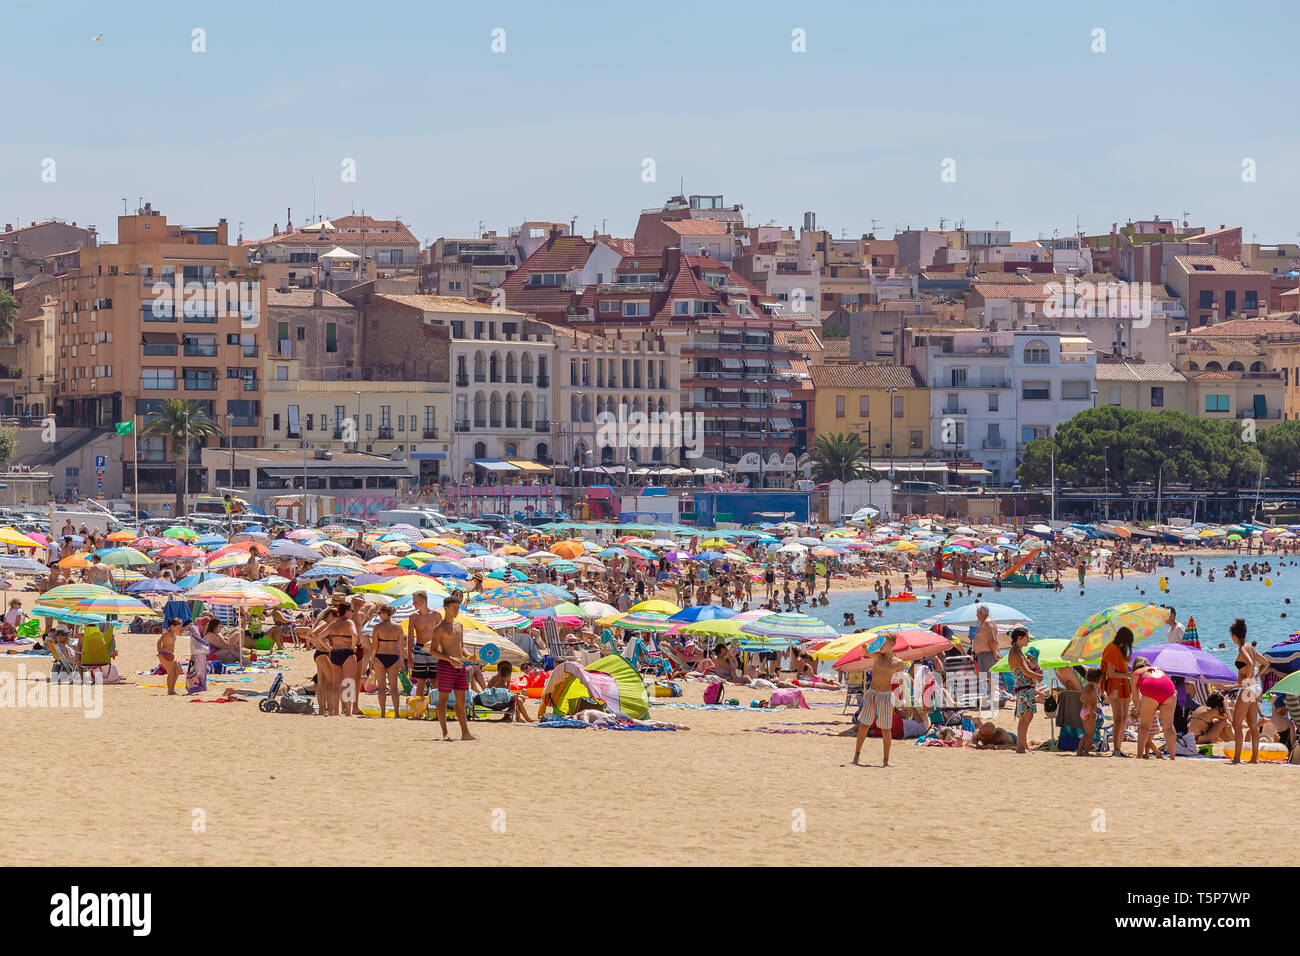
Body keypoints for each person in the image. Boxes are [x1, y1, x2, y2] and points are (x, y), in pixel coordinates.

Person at [853, 632, 906, 767]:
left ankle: (886, 761)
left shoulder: (899, 663)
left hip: (886, 696)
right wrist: (866, 647)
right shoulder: (877, 656)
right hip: (872, 693)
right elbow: (866, 652)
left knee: (885, 729)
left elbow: (900, 682)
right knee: (864, 725)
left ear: (892, 644)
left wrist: (901, 701)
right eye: (879, 642)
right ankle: (856, 756)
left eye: (884, 642)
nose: (881, 645)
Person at [430, 590, 474, 741]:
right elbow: (433, 650)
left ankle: (465, 733)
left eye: (458, 607)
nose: (457, 610)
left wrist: (469, 655)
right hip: (446, 666)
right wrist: (449, 659)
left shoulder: (459, 626)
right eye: (455, 607)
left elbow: (461, 646)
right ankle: (445, 733)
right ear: (446, 608)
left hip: (460, 666)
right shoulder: (439, 628)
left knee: (461, 701)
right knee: (443, 700)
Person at [1228, 617, 1267, 764]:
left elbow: (1250, 664)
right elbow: (1265, 663)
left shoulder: (1242, 648)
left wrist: (1247, 679)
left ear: (1234, 635)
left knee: (1236, 723)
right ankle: (1253, 759)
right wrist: (1255, 677)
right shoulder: (1251, 648)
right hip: (1255, 687)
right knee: (1252, 724)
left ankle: (1237, 758)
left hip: (1248, 687)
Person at [1131, 657, 1177, 760]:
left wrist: (1139, 710)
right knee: (1169, 726)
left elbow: (1135, 697)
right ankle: (1173, 757)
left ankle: (1139, 755)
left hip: (1151, 692)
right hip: (1170, 692)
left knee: (1144, 727)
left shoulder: (1136, 673)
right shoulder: (1159, 669)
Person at [1101, 626, 1135, 757]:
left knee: (1123, 718)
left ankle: (1118, 748)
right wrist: (1128, 675)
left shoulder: (1120, 651)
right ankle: (1116, 749)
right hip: (1115, 686)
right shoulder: (1111, 649)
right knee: (1119, 718)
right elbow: (1112, 674)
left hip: (1124, 686)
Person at [1007, 627, 1041, 754]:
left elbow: (1026, 669)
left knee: (1027, 716)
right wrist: (1038, 676)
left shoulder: (1017, 651)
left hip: (1023, 687)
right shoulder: (1016, 652)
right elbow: (1025, 671)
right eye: (1026, 637)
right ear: (1019, 638)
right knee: (1025, 717)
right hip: (1024, 688)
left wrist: (1036, 671)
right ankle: (1021, 747)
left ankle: (1023, 745)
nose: (1028, 639)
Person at [370, 604, 405, 718]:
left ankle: (383, 713)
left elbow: (374, 646)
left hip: (380, 656)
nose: (379, 615)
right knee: (394, 688)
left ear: (385, 614)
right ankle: (396, 713)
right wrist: (402, 661)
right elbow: (401, 646)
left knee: (381, 688)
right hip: (393, 657)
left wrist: (371, 659)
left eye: (380, 613)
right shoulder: (398, 627)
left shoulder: (378, 627)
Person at [405, 591, 442, 699]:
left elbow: (442, 635)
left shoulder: (436, 615)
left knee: (435, 681)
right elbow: (410, 637)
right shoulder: (413, 617)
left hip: (434, 649)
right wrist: (409, 657)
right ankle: (419, 711)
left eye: (415, 601)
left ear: (423, 601)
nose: (413, 604)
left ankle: (436, 708)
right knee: (420, 681)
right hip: (419, 648)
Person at [970, 604, 998, 702]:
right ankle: (989, 698)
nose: (977, 616)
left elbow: (992, 640)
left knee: (989, 677)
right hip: (983, 654)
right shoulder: (985, 622)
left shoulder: (987, 623)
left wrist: (995, 654)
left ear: (981, 613)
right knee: (985, 678)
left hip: (987, 654)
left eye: (977, 613)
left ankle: (992, 699)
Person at [1077, 668, 1102, 756]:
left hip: (1083, 711)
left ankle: (1079, 751)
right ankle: (1086, 751)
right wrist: (1091, 713)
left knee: (1087, 733)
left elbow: (1082, 699)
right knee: (1091, 734)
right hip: (1089, 712)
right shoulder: (1092, 689)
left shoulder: (1086, 687)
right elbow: (1090, 703)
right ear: (1098, 678)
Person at [157, 618, 183, 695]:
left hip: (170, 655)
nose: (179, 628)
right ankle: (170, 691)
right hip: (164, 654)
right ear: (172, 626)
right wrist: (159, 653)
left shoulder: (174, 633)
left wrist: (188, 627)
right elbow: (159, 642)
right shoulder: (167, 634)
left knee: (177, 670)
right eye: (178, 627)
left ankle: (172, 689)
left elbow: (180, 632)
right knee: (171, 673)